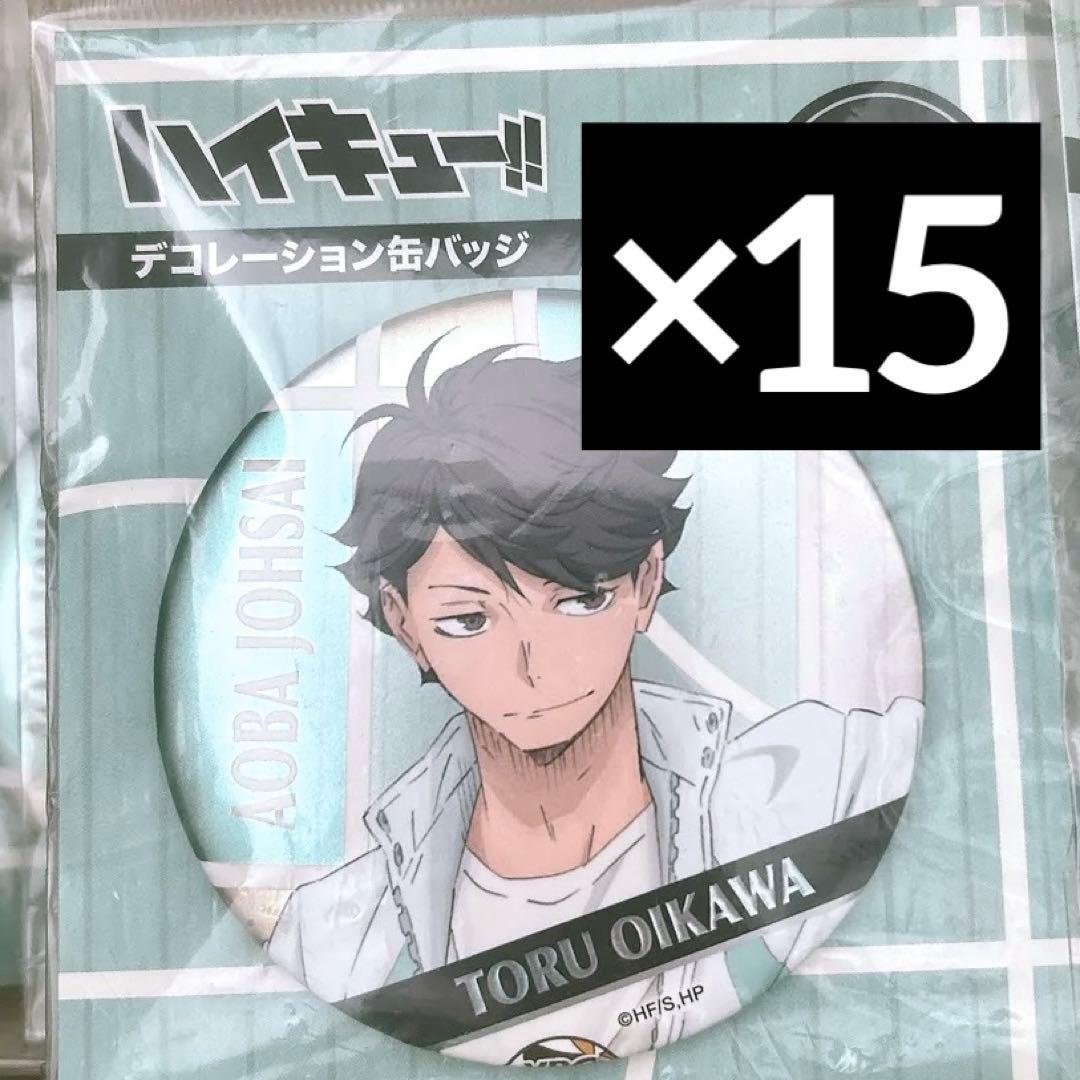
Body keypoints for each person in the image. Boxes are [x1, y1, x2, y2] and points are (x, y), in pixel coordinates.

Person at [267, 339, 922, 1063]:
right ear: (404, 624)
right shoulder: (334, 937)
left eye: (579, 600)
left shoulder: (820, 790)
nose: (532, 664)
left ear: (645, 582)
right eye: (468, 619)